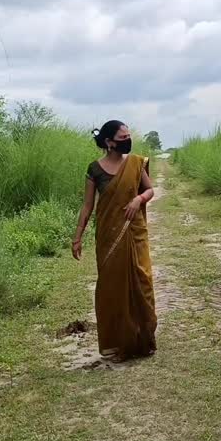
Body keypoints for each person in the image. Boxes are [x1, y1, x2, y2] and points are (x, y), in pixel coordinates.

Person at [72, 120, 157, 362]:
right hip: (109, 237)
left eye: (128, 136)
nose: (127, 141)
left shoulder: (136, 163)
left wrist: (138, 200)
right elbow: (87, 206)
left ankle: (143, 340)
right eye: (122, 138)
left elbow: (149, 190)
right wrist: (77, 237)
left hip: (135, 233)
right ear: (109, 142)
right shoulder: (95, 170)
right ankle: (120, 344)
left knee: (142, 283)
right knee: (112, 288)